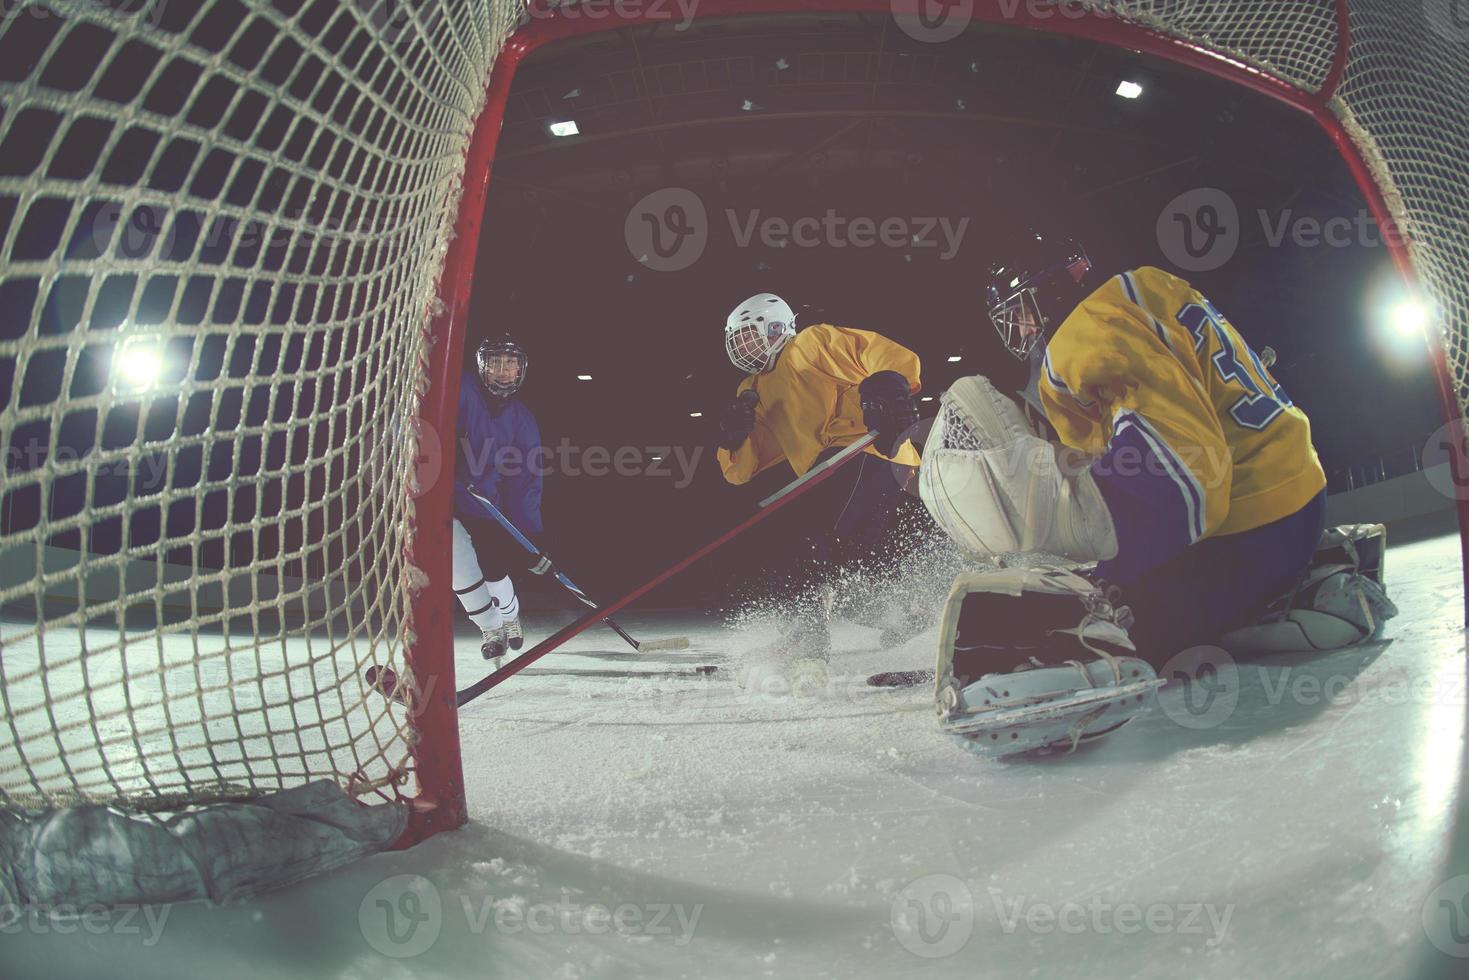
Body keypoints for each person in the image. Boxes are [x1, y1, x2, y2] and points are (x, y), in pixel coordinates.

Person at [917, 229, 1330, 751]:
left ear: (1047, 293)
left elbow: (1188, 487)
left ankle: (1073, 665)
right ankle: (1300, 588)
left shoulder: (1080, 336)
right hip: (1298, 503)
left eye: (1020, 309)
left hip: (1246, 538)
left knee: (1080, 625)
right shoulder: (1147, 285)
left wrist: (1094, 566)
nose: (1019, 328)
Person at [715, 293, 926, 656]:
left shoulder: (809, 345)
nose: (745, 347)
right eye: (739, 341)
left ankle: (807, 632)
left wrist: (887, 382)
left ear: (776, 328)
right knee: (839, 566)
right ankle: (902, 617)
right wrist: (733, 440)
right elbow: (743, 470)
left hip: (865, 450)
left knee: (807, 537)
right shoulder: (752, 390)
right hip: (828, 469)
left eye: (750, 335)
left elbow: (873, 351)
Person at [452, 335, 548, 663]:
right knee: (459, 567)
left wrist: (530, 537)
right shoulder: (462, 390)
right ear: (482, 366)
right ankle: (490, 629)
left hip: (482, 504)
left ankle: (509, 617)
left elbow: (526, 481)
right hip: (443, 502)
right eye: (497, 363)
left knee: (494, 568)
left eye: (512, 364)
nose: (505, 371)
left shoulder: (522, 418)